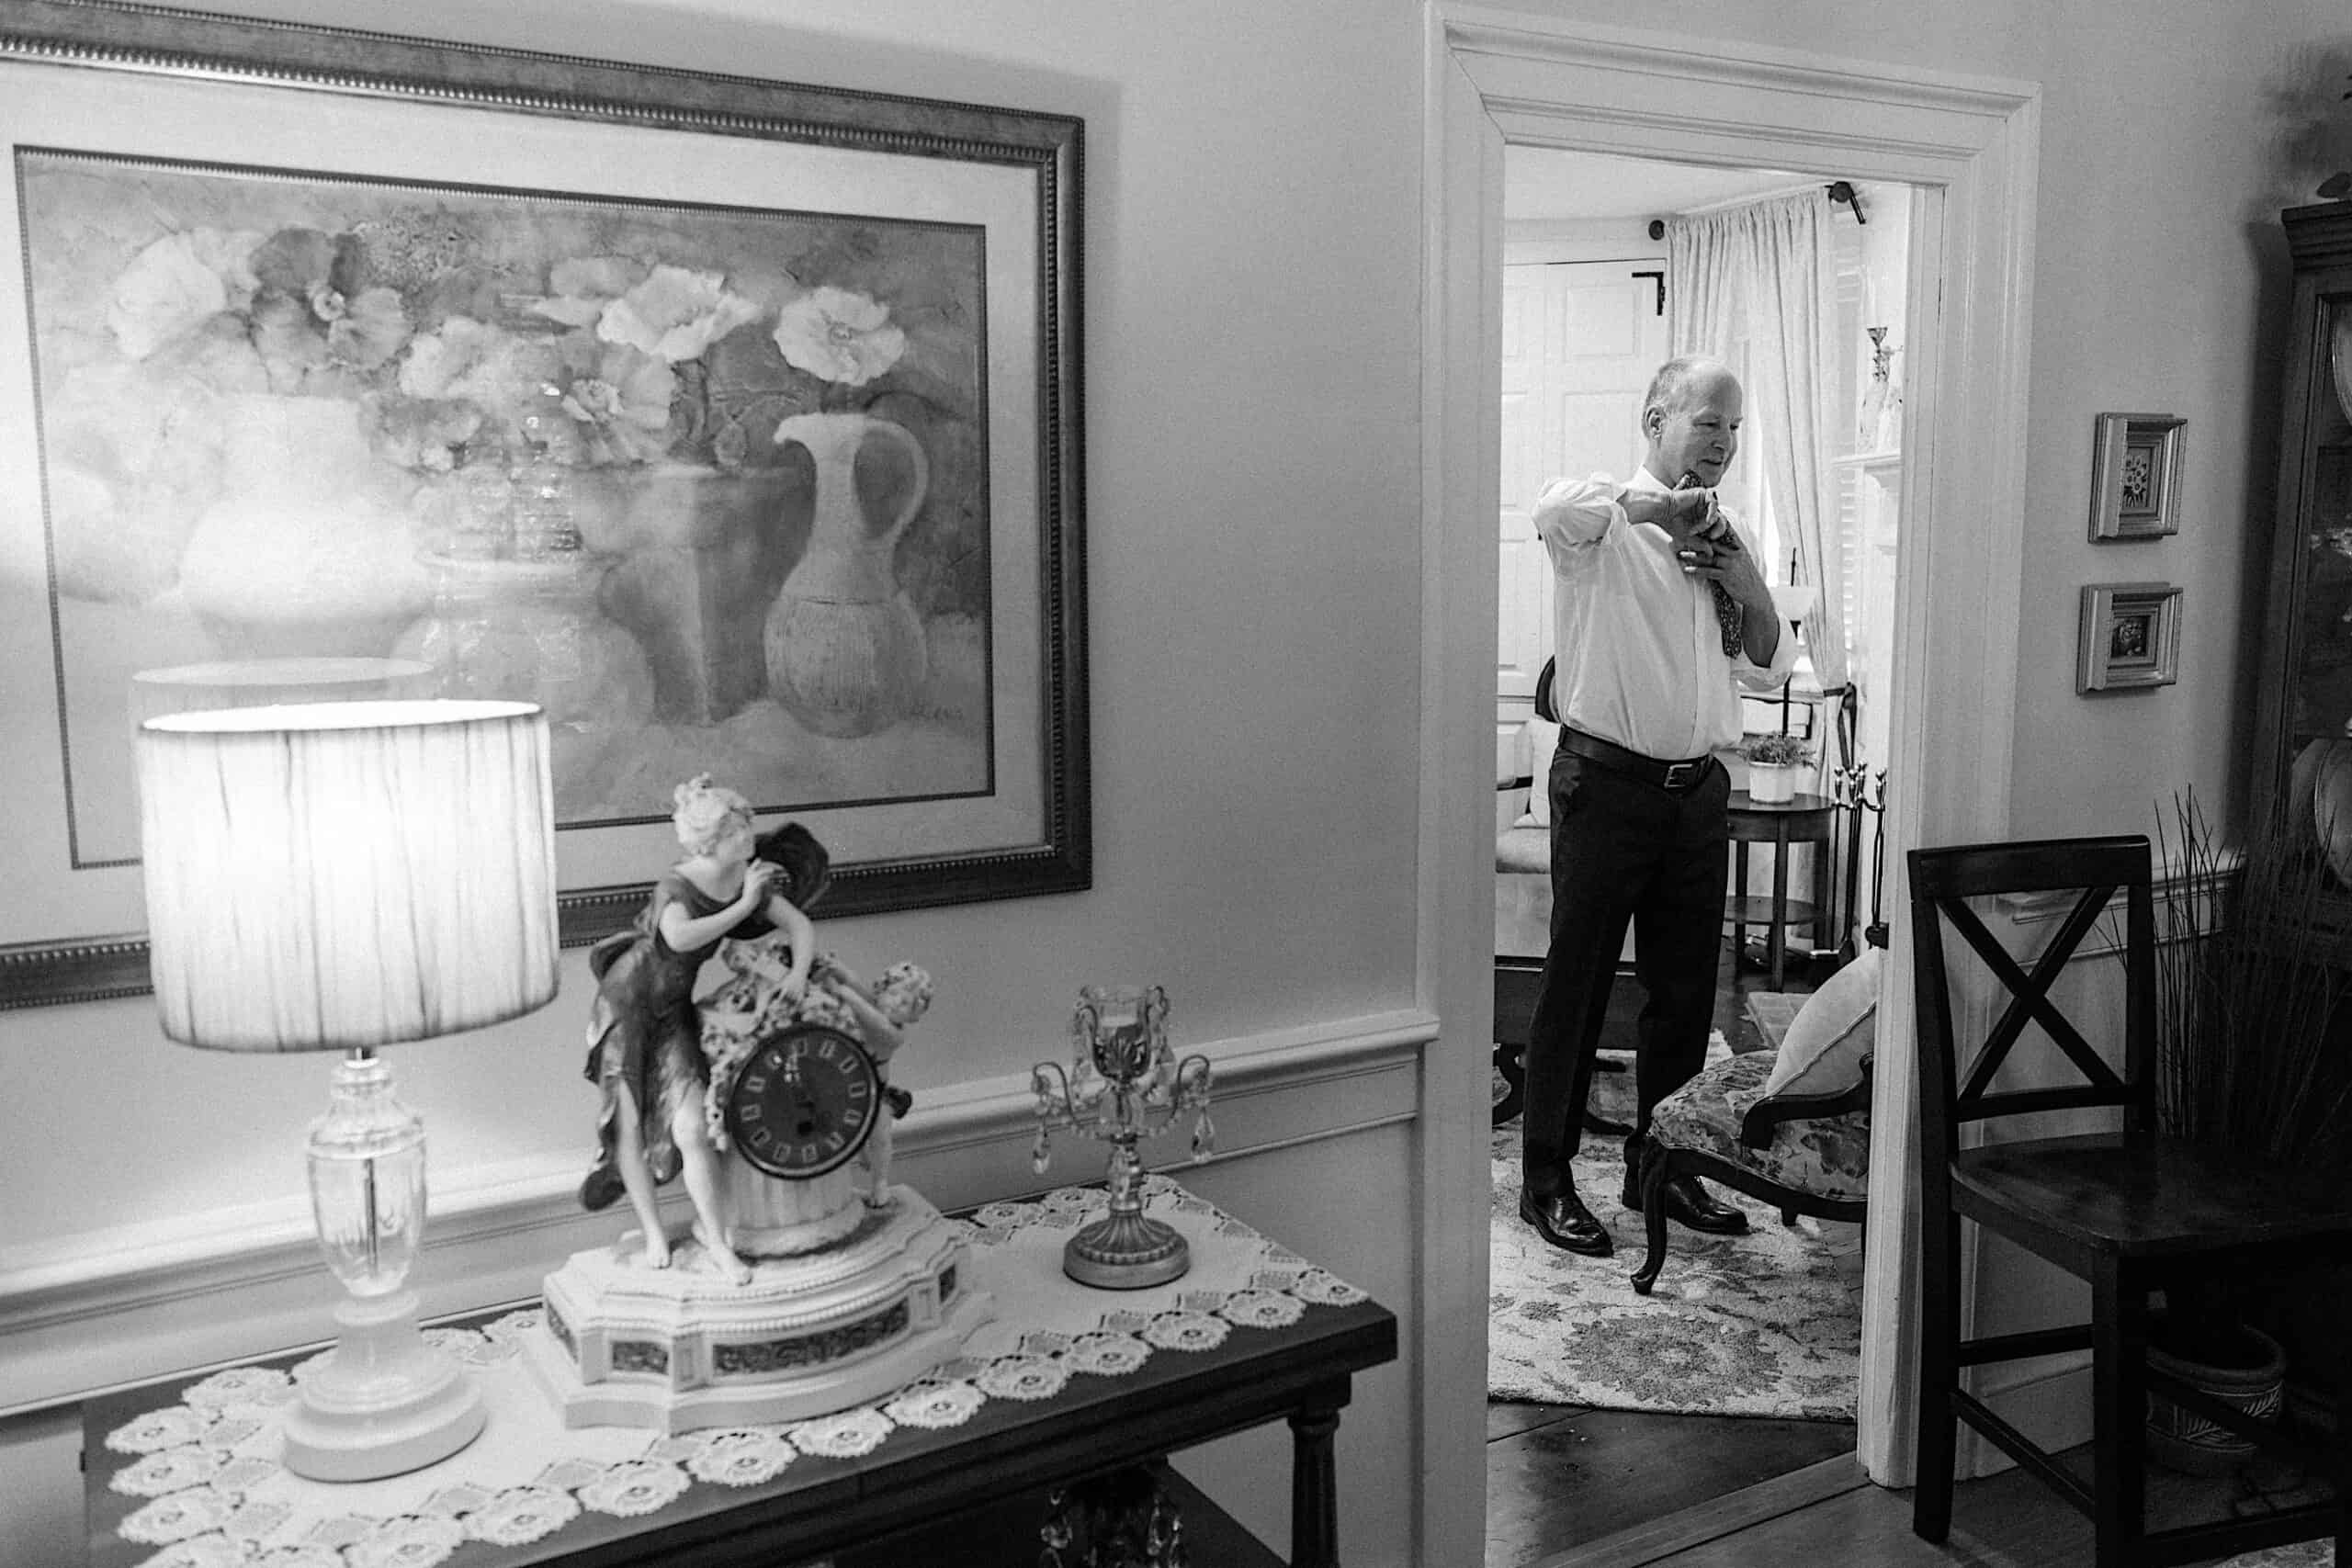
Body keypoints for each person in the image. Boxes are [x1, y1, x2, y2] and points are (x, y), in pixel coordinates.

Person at [1518, 355, 1798, 1258]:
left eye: (1733, 427)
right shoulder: (1597, 523)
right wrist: (1658, 510)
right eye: (1707, 420)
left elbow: (1769, 659)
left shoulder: (1732, 532)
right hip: (1604, 789)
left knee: (1683, 999)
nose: (1722, 440)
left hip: (1695, 800)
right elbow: (1551, 507)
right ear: (1653, 418)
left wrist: (1737, 569)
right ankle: (1545, 1180)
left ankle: (1662, 1173)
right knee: (1579, 986)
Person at [578, 773, 824, 1282]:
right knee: (626, 1123)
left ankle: (716, 1240)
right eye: (736, 831)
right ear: (711, 842)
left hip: (672, 1009)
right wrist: (741, 905)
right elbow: (680, 936)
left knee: (693, 1126)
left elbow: (799, 925)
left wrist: (798, 973)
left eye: (748, 825)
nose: (748, 836)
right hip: (626, 1003)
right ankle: (651, 1229)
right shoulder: (679, 883)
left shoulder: (745, 877)